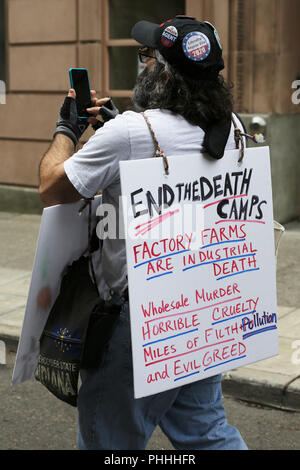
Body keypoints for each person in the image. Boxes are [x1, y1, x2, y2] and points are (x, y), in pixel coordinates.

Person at [39, 15, 248, 450]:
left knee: (108, 442)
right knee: (206, 433)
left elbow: (51, 189)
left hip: (140, 321)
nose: (142, 63)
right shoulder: (234, 129)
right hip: (203, 309)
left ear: (162, 71)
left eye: (145, 55)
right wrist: (121, 133)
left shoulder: (131, 132)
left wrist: (67, 129)